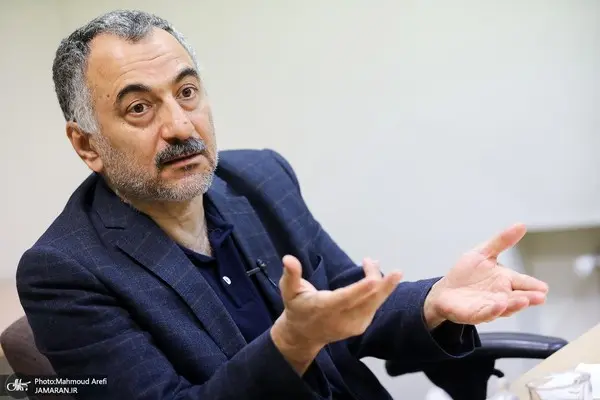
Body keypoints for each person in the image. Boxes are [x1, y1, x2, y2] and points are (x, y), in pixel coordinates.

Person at [16, 9, 548, 400]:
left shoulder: (260, 178)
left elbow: (346, 301)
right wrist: (293, 342)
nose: (180, 126)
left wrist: (436, 301)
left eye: (187, 92)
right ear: (87, 145)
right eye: (139, 108)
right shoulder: (64, 271)